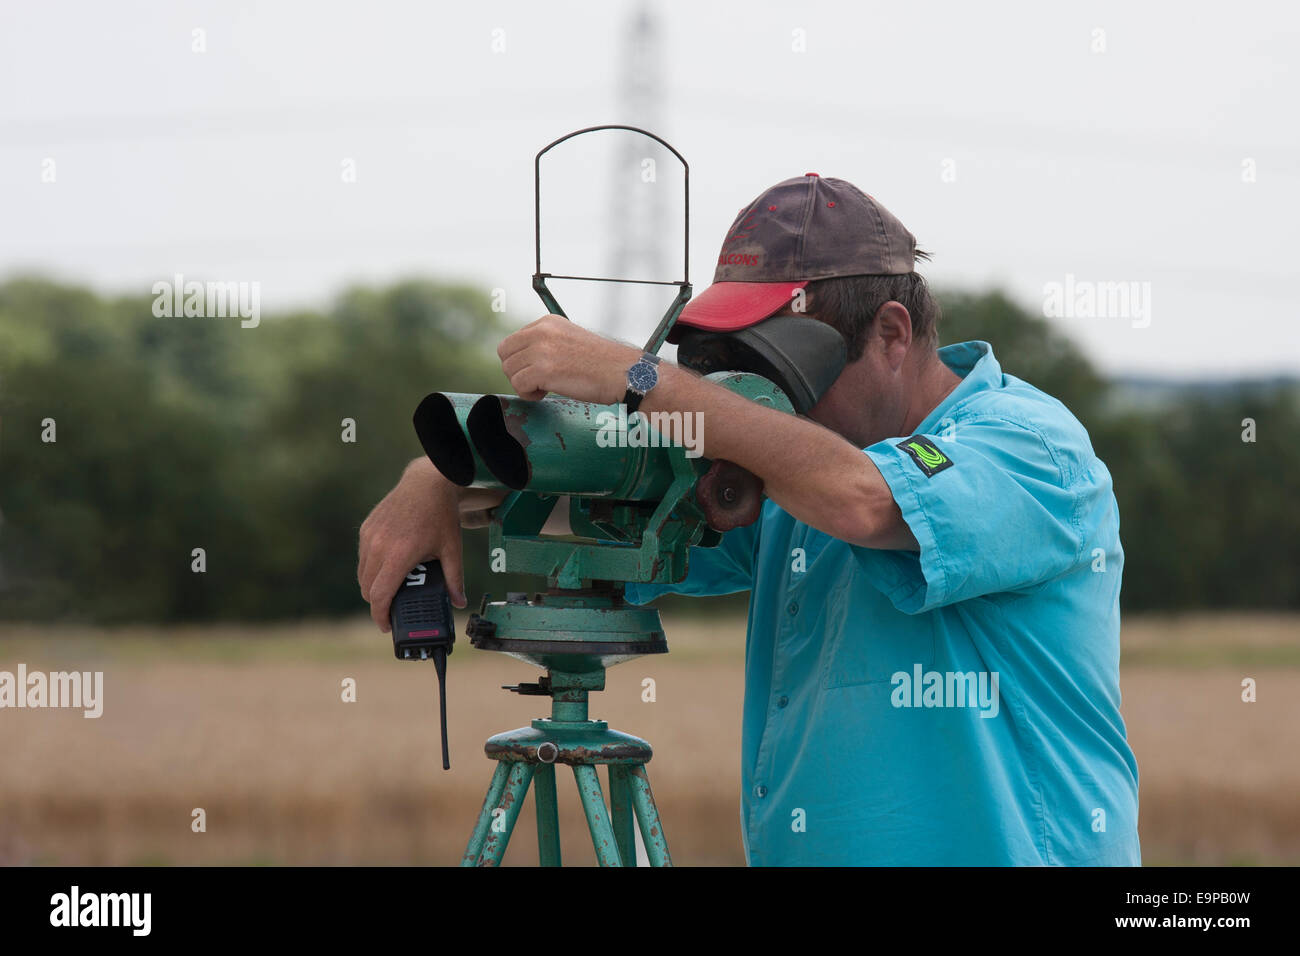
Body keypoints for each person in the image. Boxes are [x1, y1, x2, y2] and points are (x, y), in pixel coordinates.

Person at [358, 173, 1141, 865]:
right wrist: (442, 473)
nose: (756, 399)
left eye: (785, 366)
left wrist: (642, 378)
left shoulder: (1028, 448)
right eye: (738, 367)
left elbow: (868, 501)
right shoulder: (794, 475)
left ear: (893, 334)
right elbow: (609, 494)